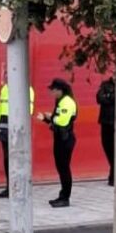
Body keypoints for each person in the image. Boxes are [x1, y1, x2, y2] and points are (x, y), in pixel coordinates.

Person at [0, 70, 35, 198]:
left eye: (8, 74)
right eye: (6, 75)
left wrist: (22, 125)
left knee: (18, 159)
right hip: (4, 129)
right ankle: (10, 187)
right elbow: (0, 106)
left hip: (18, 129)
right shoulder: (4, 88)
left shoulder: (27, 89)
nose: (6, 77)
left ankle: (19, 187)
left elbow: (29, 109)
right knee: (7, 159)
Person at [37, 78, 78, 208]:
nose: (51, 92)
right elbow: (57, 120)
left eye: (53, 90)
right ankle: (62, 195)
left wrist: (48, 118)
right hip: (60, 138)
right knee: (61, 168)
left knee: (64, 168)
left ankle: (65, 198)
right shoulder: (60, 101)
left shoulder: (67, 102)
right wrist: (48, 118)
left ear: (60, 90)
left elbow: (62, 122)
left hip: (65, 139)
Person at [96, 77, 115, 186]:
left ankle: (113, 177)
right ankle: (114, 175)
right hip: (105, 122)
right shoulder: (105, 84)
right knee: (107, 147)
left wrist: (108, 96)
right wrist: (111, 97)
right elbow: (99, 98)